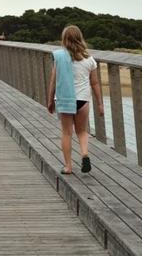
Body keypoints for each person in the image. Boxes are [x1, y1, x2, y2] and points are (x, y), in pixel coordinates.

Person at [46, 25, 104, 175]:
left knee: (67, 133)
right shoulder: (89, 59)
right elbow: (95, 83)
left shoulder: (59, 57)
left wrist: (50, 100)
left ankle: (68, 166)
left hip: (65, 99)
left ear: (64, 39)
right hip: (83, 100)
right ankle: (84, 153)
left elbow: (53, 80)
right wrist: (100, 103)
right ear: (80, 38)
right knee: (82, 131)